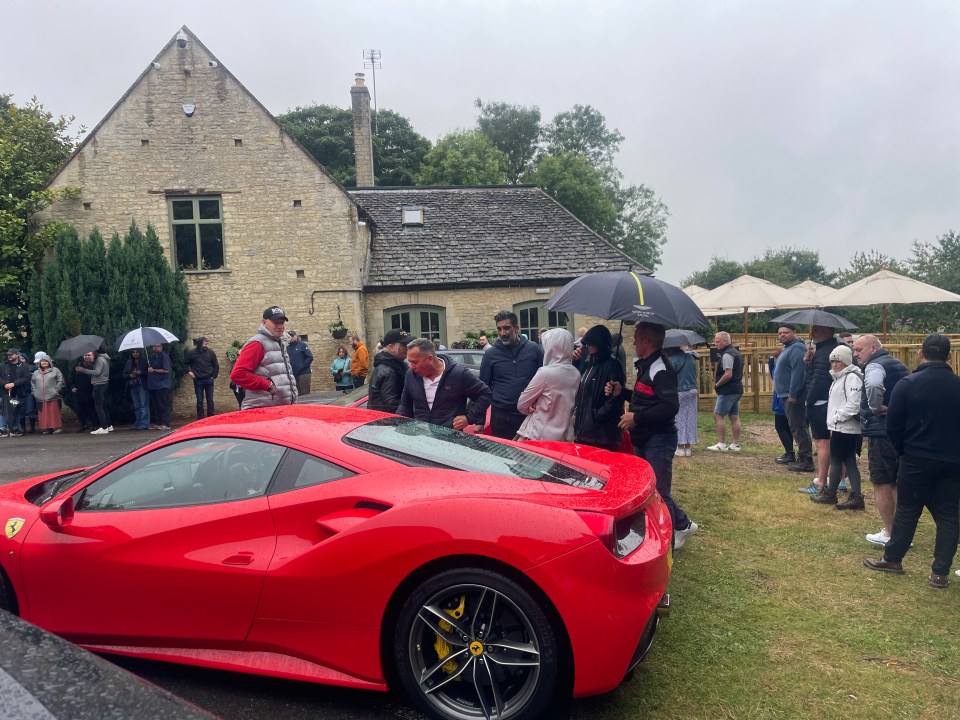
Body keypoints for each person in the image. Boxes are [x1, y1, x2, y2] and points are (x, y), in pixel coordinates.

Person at [864, 333, 960, 589]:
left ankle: (893, 559)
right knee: (949, 514)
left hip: (915, 456)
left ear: (920, 354)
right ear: (949, 356)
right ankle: (940, 573)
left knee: (907, 511)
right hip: (952, 459)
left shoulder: (908, 384)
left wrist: (902, 450)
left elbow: (893, 425)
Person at [607, 322, 698, 549]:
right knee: (650, 488)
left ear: (647, 341)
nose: (633, 342)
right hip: (645, 438)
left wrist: (636, 418)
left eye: (637, 338)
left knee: (658, 491)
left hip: (660, 439)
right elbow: (644, 400)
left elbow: (670, 407)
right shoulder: (646, 366)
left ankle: (677, 533)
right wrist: (623, 392)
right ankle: (682, 524)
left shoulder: (661, 369)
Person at [853, 333, 909, 546]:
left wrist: (876, 407)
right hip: (900, 431)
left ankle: (890, 533)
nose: (855, 353)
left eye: (859, 350)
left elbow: (875, 385)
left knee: (882, 482)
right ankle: (900, 532)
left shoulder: (875, 366)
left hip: (881, 431)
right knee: (895, 481)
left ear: (873, 349)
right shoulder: (898, 363)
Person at [811, 344, 864, 509]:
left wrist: (836, 417)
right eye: (832, 361)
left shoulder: (851, 378)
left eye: (838, 361)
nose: (834, 364)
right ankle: (856, 495)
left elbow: (853, 404)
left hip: (845, 427)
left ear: (846, 361)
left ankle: (830, 493)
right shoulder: (839, 377)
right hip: (840, 426)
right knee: (849, 461)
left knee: (835, 460)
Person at [397, 338, 491, 429]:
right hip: (421, 437)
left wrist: (468, 417)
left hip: (450, 437)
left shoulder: (458, 374)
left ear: (429, 359)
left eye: (415, 362)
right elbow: (405, 405)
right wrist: (398, 425)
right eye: (410, 362)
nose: (412, 367)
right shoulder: (411, 375)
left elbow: (485, 394)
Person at [479, 310, 544, 439]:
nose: (502, 333)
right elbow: (483, 388)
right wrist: (480, 420)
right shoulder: (490, 354)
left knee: (530, 457)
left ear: (516, 328)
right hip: (501, 417)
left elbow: (545, 381)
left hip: (529, 416)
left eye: (507, 328)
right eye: (499, 329)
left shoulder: (534, 349)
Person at [515, 328, 580, 442]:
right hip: (565, 436)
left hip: (539, 435)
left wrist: (532, 408)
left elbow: (522, 404)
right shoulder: (576, 374)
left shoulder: (545, 373)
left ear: (551, 348)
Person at [796, 325, 840, 492]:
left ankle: (821, 483)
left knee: (823, 443)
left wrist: (808, 400)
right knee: (829, 443)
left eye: (816, 330)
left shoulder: (825, 353)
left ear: (828, 331)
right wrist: (809, 362)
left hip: (821, 403)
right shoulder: (824, 351)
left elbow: (819, 380)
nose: (812, 333)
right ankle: (834, 480)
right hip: (827, 402)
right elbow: (815, 374)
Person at [231, 306, 298, 409]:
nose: (280, 326)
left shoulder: (279, 342)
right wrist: (267, 385)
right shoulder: (257, 343)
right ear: (264, 322)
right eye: (276, 323)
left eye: (282, 323)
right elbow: (237, 374)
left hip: (277, 407)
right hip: (262, 409)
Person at [572, 324, 626, 451]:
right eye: (587, 344)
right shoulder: (588, 362)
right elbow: (582, 388)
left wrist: (596, 417)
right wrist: (575, 361)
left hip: (602, 434)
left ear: (600, 343)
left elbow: (615, 399)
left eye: (591, 344)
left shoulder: (613, 365)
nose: (588, 347)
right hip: (584, 430)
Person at [774, 323, 812, 469]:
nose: (782, 335)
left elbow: (798, 372)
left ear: (794, 332)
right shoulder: (788, 348)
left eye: (786, 332)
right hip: (785, 394)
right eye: (780, 333)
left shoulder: (796, 348)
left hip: (794, 395)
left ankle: (806, 460)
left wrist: (793, 393)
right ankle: (801, 456)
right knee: (794, 426)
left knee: (798, 426)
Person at [708, 331, 743, 452]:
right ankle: (735, 444)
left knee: (718, 415)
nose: (715, 344)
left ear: (726, 341)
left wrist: (717, 384)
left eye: (718, 341)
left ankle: (722, 444)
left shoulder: (727, 354)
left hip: (728, 390)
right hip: (737, 389)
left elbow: (728, 374)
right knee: (734, 416)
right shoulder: (735, 352)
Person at [666, 343, 699, 457]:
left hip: (680, 391)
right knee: (690, 418)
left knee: (679, 418)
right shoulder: (690, 357)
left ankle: (680, 447)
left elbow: (668, 376)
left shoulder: (671, 360)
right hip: (693, 390)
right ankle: (688, 448)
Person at [368, 329, 410, 413]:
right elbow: (391, 403)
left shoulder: (394, 366)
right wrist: (414, 403)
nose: (407, 348)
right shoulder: (388, 370)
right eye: (403, 345)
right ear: (391, 347)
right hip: (386, 422)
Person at [75, 347, 112, 435]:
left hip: (99, 384)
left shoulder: (99, 359)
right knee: (103, 405)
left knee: (99, 406)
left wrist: (83, 370)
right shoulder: (105, 358)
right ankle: (109, 425)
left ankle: (104, 427)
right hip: (104, 383)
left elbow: (97, 372)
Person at [185, 336, 219, 418]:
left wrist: (213, 376)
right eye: (205, 343)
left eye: (207, 343)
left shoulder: (211, 352)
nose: (206, 345)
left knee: (210, 400)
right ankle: (200, 418)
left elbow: (216, 365)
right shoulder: (192, 353)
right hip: (198, 380)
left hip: (209, 379)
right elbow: (185, 363)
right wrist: (189, 372)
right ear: (199, 343)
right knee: (199, 400)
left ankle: (211, 417)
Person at [769, 350, 794, 461]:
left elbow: (773, 375)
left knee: (780, 425)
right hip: (782, 397)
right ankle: (789, 451)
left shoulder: (780, 369)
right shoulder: (783, 368)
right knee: (787, 426)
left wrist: (771, 362)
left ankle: (789, 452)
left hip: (781, 399)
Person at [30, 353, 64, 434]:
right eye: (42, 361)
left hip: (52, 396)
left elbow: (60, 381)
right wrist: (34, 391)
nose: (44, 363)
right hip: (40, 397)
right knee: (43, 414)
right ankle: (47, 428)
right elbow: (32, 382)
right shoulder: (36, 372)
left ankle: (57, 427)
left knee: (53, 412)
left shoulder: (55, 370)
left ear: (49, 362)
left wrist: (56, 390)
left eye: (46, 361)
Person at [1, 348, 31, 437]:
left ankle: (15, 428)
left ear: (17, 355)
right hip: (4, 392)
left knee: (16, 409)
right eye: (8, 355)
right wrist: (5, 384)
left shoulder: (24, 366)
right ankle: (2, 429)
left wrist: (14, 384)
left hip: (18, 392)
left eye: (11, 354)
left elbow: (26, 378)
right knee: (2, 410)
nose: (9, 356)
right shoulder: (2, 365)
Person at [122, 348, 151, 430]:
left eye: (137, 352)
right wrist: (130, 375)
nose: (135, 354)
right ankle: (137, 423)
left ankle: (144, 424)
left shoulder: (144, 361)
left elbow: (148, 373)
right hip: (132, 386)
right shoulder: (128, 362)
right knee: (137, 406)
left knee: (143, 405)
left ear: (140, 353)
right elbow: (124, 374)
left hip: (142, 385)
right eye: (133, 352)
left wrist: (140, 372)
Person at [69, 352, 98, 432]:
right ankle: (83, 424)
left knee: (91, 409)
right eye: (85, 355)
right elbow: (71, 379)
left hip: (90, 390)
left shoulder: (95, 366)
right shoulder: (77, 366)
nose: (87, 357)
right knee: (79, 409)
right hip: (79, 392)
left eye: (89, 355)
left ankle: (94, 424)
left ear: (93, 356)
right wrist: (72, 387)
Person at [146, 343, 172, 430]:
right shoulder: (153, 357)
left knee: (163, 405)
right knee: (156, 405)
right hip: (153, 385)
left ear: (161, 347)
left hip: (162, 385)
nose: (155, 348)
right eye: (154, 346)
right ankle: (159, 422)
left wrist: (154, 370)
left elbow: (166, 370)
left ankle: (166, 423)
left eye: (157, 346)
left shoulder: (164, 356)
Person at [286, 330, 314, 397]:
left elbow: (310, 357)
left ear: (296, 336)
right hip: (293, 375)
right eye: (289, 337)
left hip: (304, 373)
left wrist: (302, 366)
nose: (291, 338)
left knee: (305, 394)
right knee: (297, 395)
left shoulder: (302, 345)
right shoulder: (287, 348)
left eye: (292, 336)